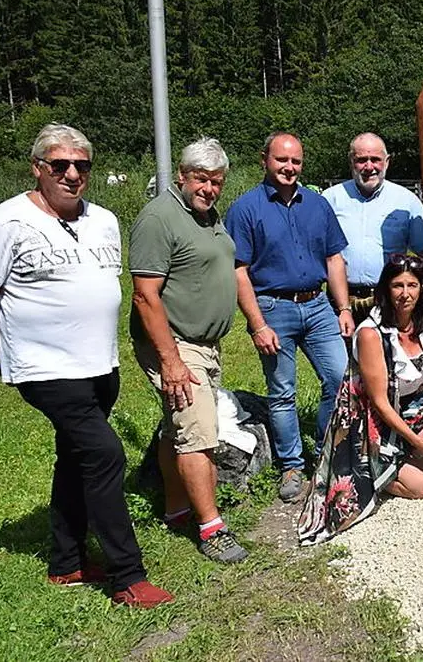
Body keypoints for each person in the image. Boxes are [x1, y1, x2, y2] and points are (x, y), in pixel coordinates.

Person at [0, 124, 173, 607]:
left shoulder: (103, 219)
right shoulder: (6, 223)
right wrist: (6, 354)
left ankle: (67, 562)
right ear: (38, 168)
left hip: (99, 365)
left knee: (76, 458)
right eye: (59, 164)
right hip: (45, 369)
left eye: (81, 165)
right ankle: (128, 577)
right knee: (105, 455)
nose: (71, 174)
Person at [129, 137, 248, 563]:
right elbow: (145, 295)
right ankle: (211, 528)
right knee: (199, 435)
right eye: (201, 179)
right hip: (177, 344)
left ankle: (177, 508)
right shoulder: (160, 218)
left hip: (204, 344)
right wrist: (171, 361)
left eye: (216, 181)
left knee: (177, 427)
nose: (209, 188)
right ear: (181, 175)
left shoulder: (208, 218)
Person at [225, 132, 356, 503]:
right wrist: (257, 325)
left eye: (295, 161)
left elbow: (334, 259)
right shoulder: (246, 209)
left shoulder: (317, 205)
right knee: (282, 393)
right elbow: (239, 271)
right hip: (273, 308)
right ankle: (291, 466)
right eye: (282, 160)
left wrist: (343, 308)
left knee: (339, 377)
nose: (289, 167)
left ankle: (329, 453)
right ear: (265, 159)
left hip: (317, 306)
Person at [297, 255, 423, 544]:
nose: (405, 294)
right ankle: (375, 475)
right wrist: (418, 442)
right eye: (397, 285)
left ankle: (400, 458)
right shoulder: (372, 334)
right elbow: (379, 404)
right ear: (385, 289)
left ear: (422, 289)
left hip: (406, 410)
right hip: (370, 421)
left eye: (412, 285)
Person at [323, 132, 423, 325]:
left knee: (389, 354)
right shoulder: (329, 200)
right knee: (342, 355)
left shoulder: (407, 202)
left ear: (387, 161)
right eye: (361, 160)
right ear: (351, 161)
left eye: (375, 160)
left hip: (390, 300)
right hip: (341, 302)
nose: (369, 167)